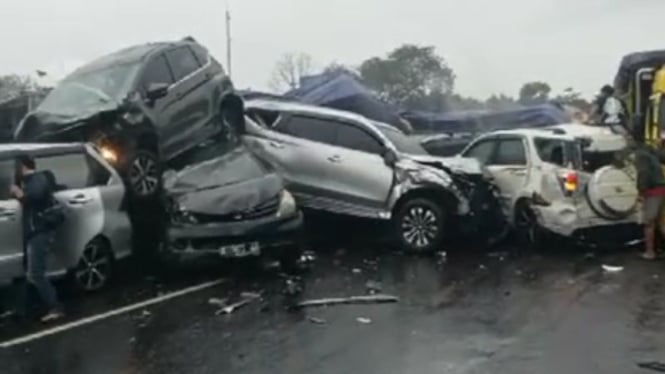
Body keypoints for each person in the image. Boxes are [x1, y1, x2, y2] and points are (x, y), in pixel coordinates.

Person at [10, 155, 64, 322]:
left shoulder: (37, 179)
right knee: (27, 272)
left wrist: (19, 194)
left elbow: (35, 196)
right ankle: (23, 309)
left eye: (17, 166)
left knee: (35, 273)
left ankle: (55, 307)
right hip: (33, 232)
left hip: (40, 232)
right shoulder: (28, 181)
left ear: (23, 166)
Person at [633, 140, 665, 260]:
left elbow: (643, 174)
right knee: (661, 223)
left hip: (653, 192)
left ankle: (650, 252)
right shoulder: (653, 155)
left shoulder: (641, 156)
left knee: (649, 223)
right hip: (662, 189)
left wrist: (641, 191)